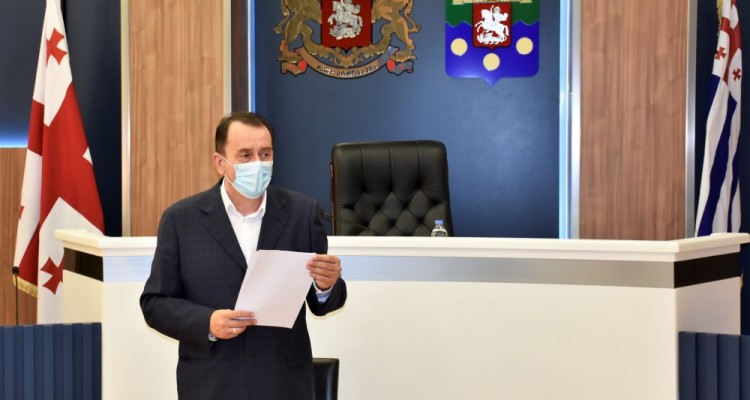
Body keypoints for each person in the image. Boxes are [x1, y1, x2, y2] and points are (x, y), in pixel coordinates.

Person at [140, 111, 347, 400]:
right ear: (220, 163)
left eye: (265, 154)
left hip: (284, 384)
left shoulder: (302, 213)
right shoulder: (181, 219)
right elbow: (155, 304)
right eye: (246, 155)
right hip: (212, 384)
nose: (258, 163)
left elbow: (322, 303)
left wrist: (325, 286)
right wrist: (207, 322)